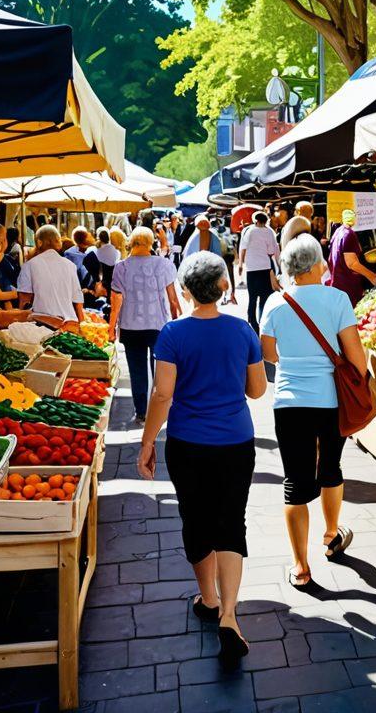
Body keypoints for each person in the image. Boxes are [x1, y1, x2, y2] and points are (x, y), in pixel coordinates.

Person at [138, 252, 266, 668]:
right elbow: (258, 391)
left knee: (195, 518)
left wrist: (146, 443)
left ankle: (208, 599)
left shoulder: (172, 333)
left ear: (187, 290)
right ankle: (230, 614)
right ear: (224, 287)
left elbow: (161, 394)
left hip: (188, 443)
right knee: (232, 520)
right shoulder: (242, 329)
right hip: (235, 441)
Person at [261, 234, 367, 588]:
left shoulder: (275, 303)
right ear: (317, 265)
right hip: (329, 401)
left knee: (295, 483)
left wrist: (294, 360)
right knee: (331, 467)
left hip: (289, 403)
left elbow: (268, 354)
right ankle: (332, 534)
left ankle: (300, 567)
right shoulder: (337, 298)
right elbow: (355, 354)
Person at [109, 226, 181, 424]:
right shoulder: (163, 265)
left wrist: (111, 327)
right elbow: (172, 299)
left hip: (131, 327)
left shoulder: (121, 267)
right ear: (151, 243)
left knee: (137, 370)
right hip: (158, 325)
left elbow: (116, 302)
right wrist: (177, 321)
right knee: (160, 369)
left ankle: (141, 411)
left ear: (132, 242)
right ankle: (161, 409)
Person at [17, 225, 85, 324]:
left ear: (39, 242)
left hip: (41, 324)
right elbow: (78, 301)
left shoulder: (29, 265)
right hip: (68, 323)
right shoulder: (70, 266)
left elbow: (24, 300)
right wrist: (82, 325)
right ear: (58, 242)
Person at [327, 210, 376, 308]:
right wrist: (372, 277)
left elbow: (330, 259)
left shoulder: (338, 232)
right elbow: (352, 263)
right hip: (348, 288)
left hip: (337, 285)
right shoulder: (348, 234)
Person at [239, 211, 280, 333]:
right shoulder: (269, 232)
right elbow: (272, 251)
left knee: (252, 297)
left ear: (255, 220)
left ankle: (252, 320)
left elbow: (243, 248)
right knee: (264, 298)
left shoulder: (248, 231)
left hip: (251, 268)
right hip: (265, 268)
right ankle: (263, 322)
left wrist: (241, 264)